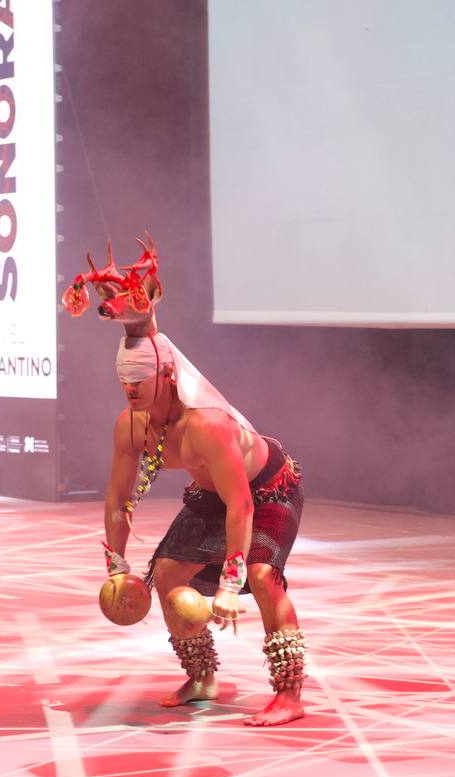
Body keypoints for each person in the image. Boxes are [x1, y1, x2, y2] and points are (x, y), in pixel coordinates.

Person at [63, 234, 308, 727]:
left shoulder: (207, 427)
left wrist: (230, 582)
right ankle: (201, 678)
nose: (131, 392)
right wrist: (117, 568)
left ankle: (289, 694)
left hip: (267, 490)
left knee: (263, 577)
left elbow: (241, 505)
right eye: (124, 384)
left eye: (140, 383)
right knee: (168, 575)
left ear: (168, 378)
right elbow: (118, 501)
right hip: (211, 495)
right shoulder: (130, 426)